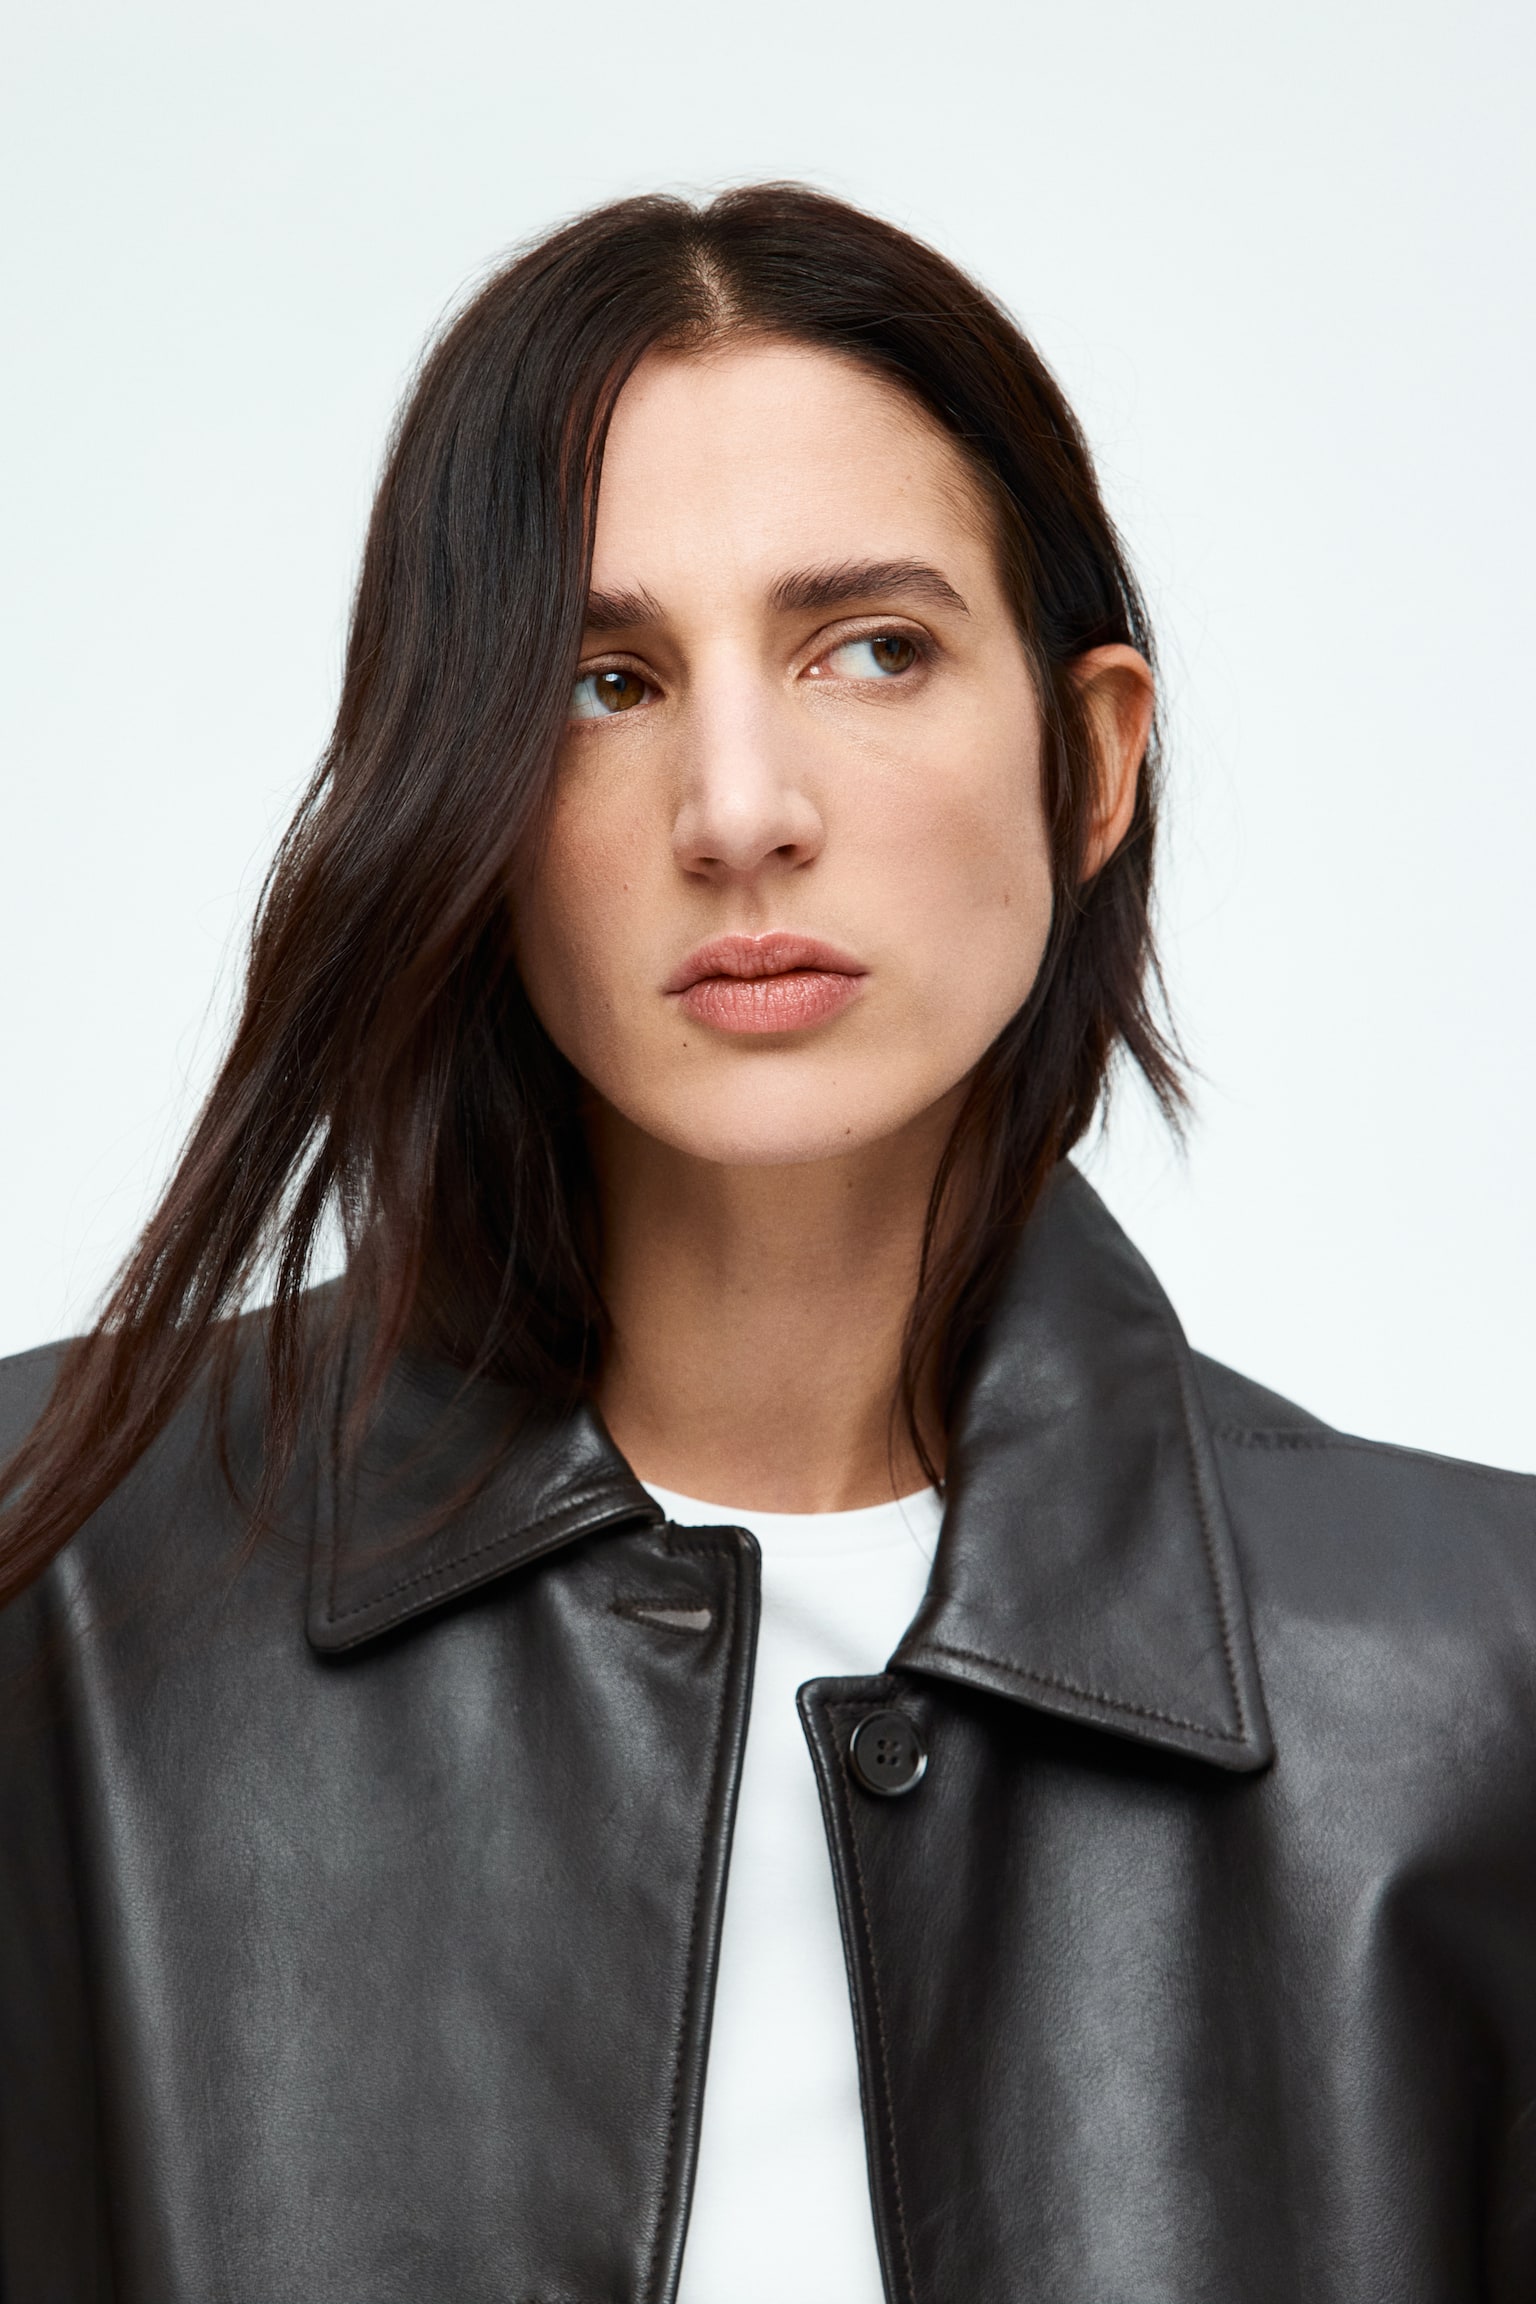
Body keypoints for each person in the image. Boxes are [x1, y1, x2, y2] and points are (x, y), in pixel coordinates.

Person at [1, 183, 1532, 2304]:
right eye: (602, 681)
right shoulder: (58, 1580)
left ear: (1090, 760)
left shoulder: (1478, 1684)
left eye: (874, 649)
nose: (739, 811)